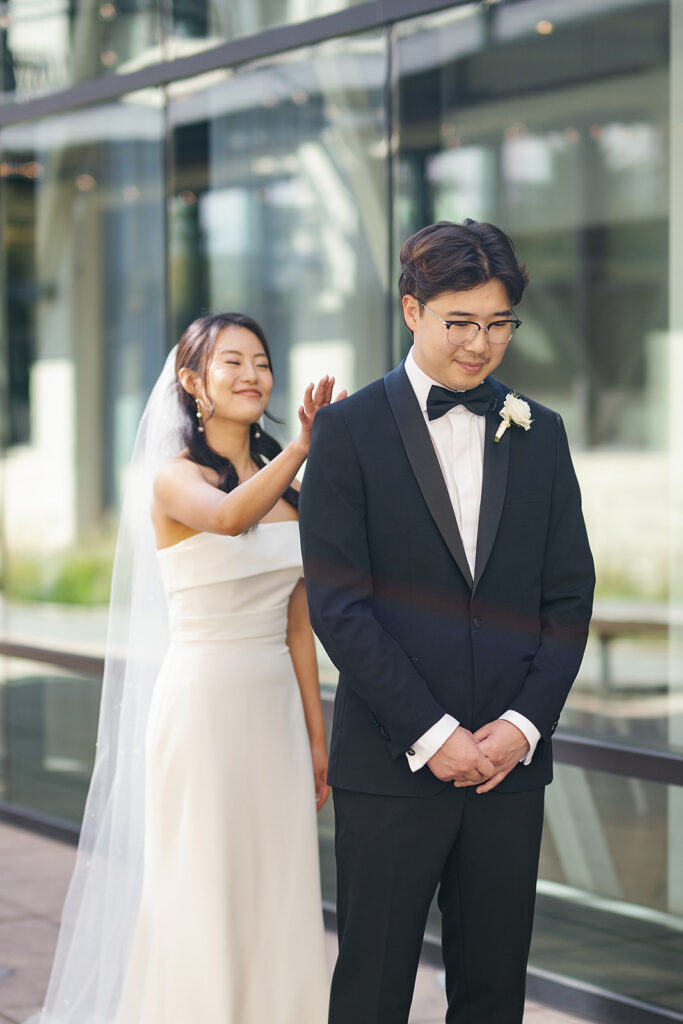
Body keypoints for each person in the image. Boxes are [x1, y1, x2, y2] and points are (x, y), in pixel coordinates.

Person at [298, 219, 595, 1024]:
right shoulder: (346, 432)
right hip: (393, 765)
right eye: (459, 322)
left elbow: (568, 596)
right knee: (371, 991)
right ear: (410, 310)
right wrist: (435, 735)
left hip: (509, 770)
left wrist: (522, 726)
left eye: (498, 324)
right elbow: (339, 606)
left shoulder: (541, 431)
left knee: (494, 995)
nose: (479, 344)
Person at [30, 313, 344, 1024]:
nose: (250, 375)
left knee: (277, 881)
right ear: (191, 380)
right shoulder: (173, 477)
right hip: (202, 704)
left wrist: (316, 736)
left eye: (260, 361)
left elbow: (298, 624)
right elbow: (231, 519)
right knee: (201, 881)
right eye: (230, 362)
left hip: (272, 707)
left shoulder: (285, 487)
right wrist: (302, 444)